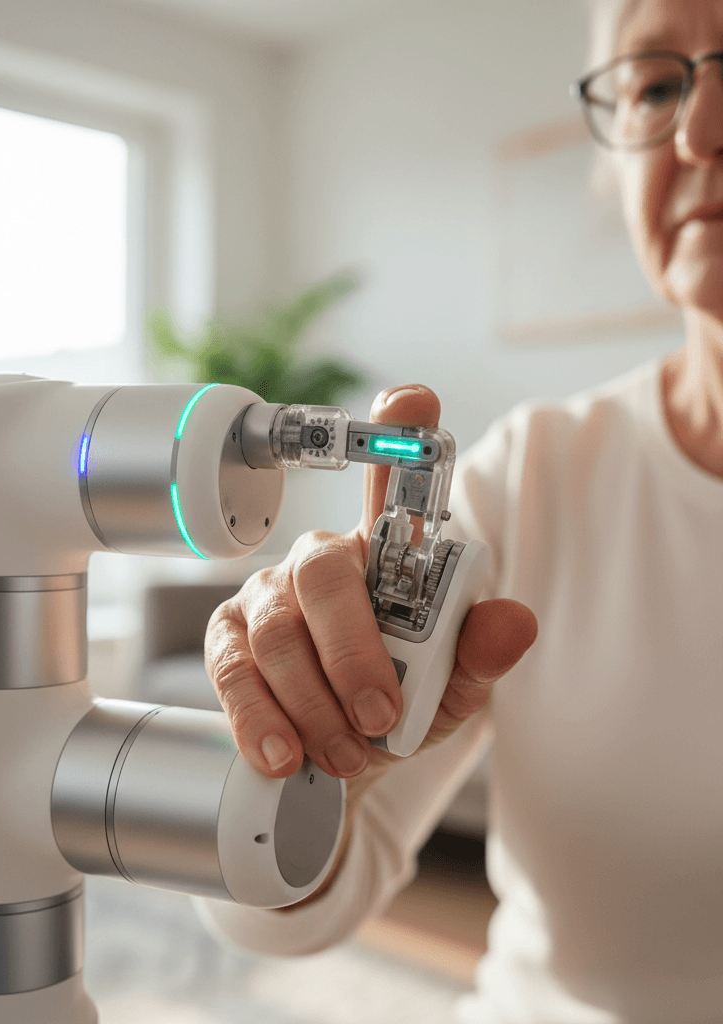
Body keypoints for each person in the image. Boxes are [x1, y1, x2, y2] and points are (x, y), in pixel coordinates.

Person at [198, 0, 723, 1020]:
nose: (698, 131)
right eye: (656, 84)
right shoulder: (533, 476)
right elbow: (275, 913)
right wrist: (300, 758)